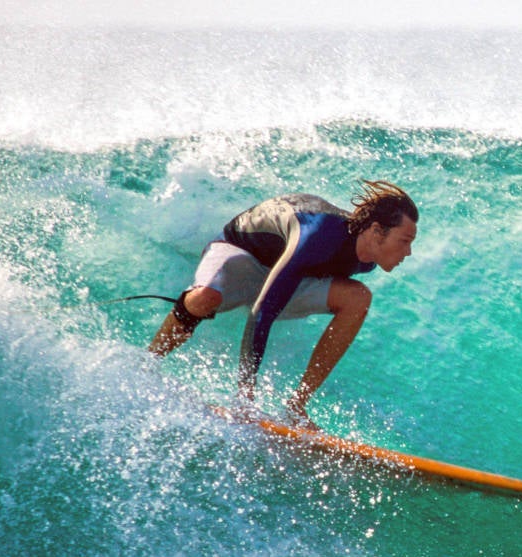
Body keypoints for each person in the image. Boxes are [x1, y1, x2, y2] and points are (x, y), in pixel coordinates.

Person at [148, 180, 418, 429]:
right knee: (207, 296)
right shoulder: (318, 235)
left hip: (279, 275)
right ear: (375, 231)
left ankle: (296, 408)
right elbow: (262, 313)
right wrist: (246, 399)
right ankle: (149, 361)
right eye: (404, 241)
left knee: (358, 297)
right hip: (240, 255)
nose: (408, 252)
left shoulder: (366, 261)